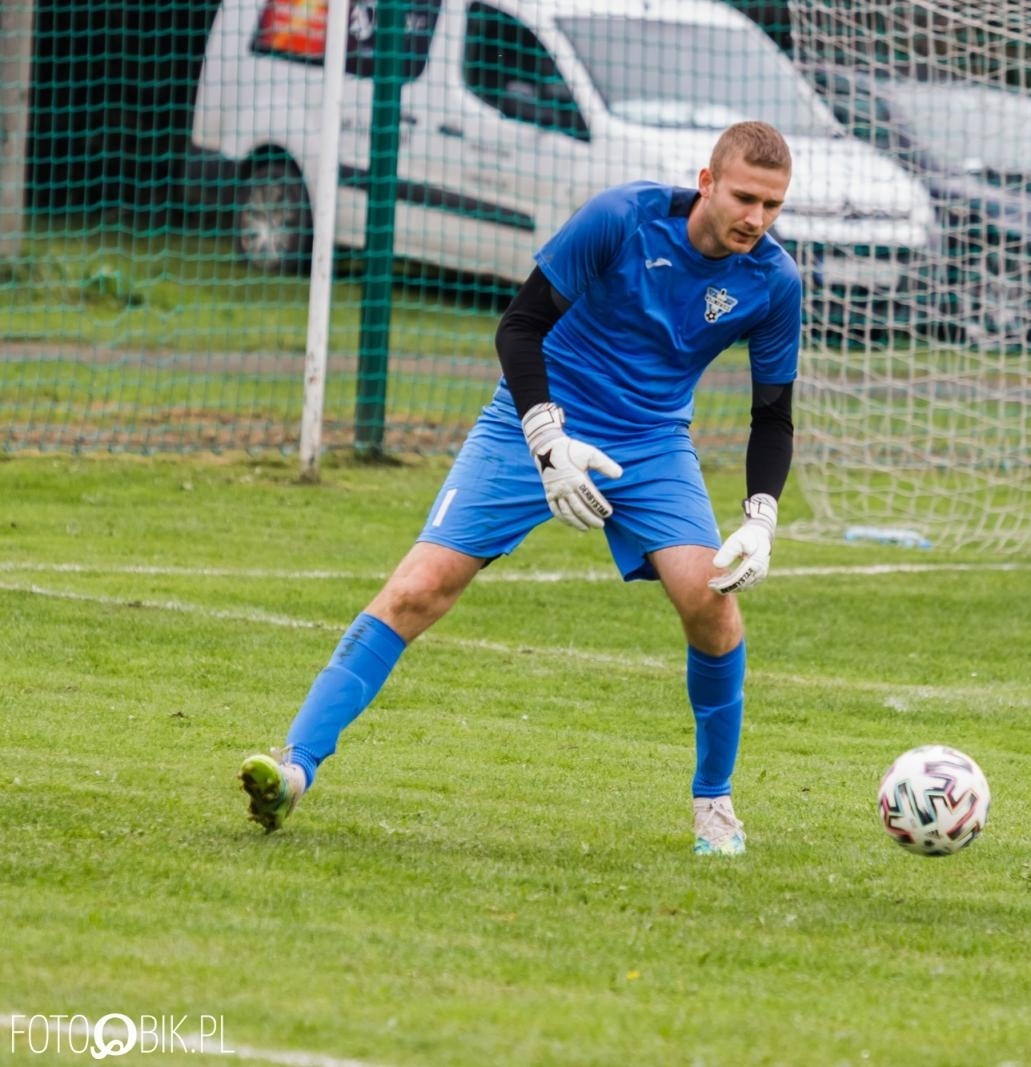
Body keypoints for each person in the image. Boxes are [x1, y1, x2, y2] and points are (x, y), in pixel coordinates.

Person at [238, 121, 802, 856]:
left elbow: (773, 416)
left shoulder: (772, 281)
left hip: (652, 443)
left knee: (713, 602)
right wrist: (546, 438)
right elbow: (520, 327)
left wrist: (760, 519)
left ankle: (715, 805)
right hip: (533, 418)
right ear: (706, 182)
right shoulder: (620, 218)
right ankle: (294, 769)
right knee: (417, 588)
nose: (755, 219)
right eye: (744, 197)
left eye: (773, 206)